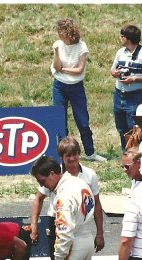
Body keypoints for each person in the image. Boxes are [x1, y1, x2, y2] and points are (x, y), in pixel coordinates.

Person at [30, 136, 104, 260]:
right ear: (61, 158)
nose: (71, 159)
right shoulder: (54, 174)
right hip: (58, 224)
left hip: (81, 227)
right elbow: (38, 199)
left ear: (79, 154)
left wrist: (100, 233)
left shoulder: (89, 175)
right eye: (67, 156)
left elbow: (97, 205)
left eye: (74, 155)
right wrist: (34, 226)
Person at [51, 18, 106, 162]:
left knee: (82, 120)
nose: (58, 34)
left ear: (67, 32)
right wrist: (56, 53)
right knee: (59, 119)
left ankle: (90, 152)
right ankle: (62, 154)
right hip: (59, 86)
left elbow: (79, 70)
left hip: (76, 87)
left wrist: (63, 69)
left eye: (60, 32)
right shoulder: (58, 44)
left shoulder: (81, 46)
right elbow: (56, 67)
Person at [111, 24, 142, 152]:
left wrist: (134, 79)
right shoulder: (120, 52)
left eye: (122, 36)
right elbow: (112, 69)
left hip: (135, 95)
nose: (120, 38)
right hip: (119, 94)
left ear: (128, 38)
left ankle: (136, 154)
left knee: (134, 127)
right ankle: (125, 152)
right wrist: (115, 73)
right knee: (121, 126)